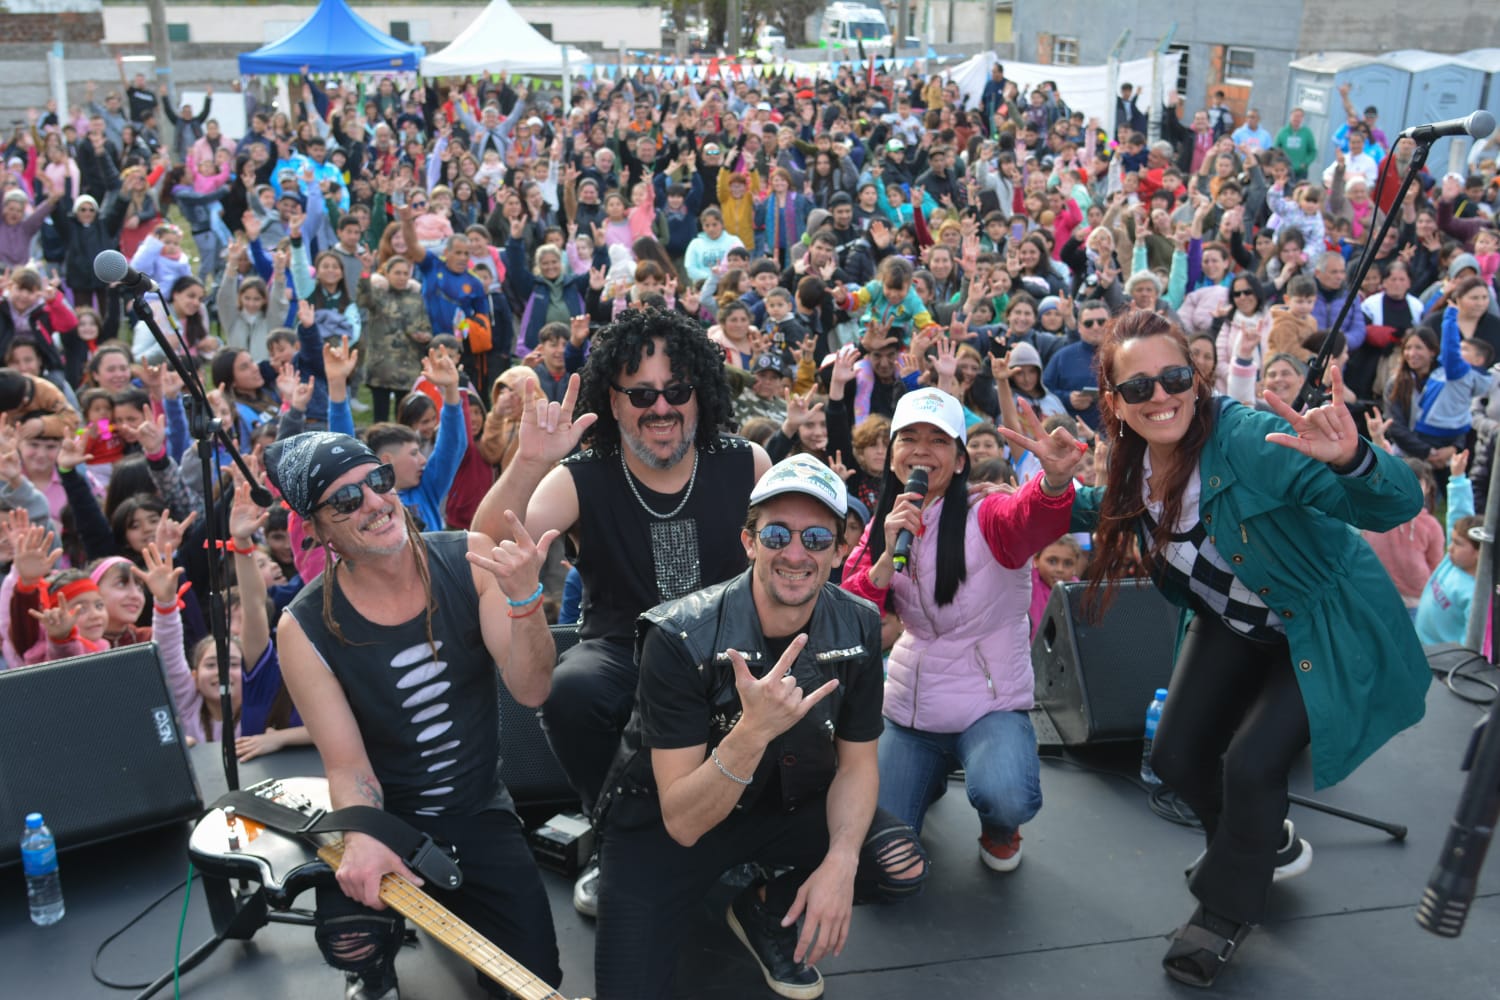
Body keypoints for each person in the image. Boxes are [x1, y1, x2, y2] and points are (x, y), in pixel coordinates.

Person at [1071, 309, 1427, 987]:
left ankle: (1223, 914)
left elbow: (1394, 505)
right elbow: (1117, 506)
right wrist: (1048, 494)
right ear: (1114, 403)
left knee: (1253, 765)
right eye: (1138, 388)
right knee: (1173, 757)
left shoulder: (1250, 440)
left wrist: (1354, 460)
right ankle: (1264, 842)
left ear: (1197, 375)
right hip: (1231, 620)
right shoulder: (1136, 459)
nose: (1160, 396)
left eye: (1173, 376)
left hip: (1312, 623)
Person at [472, 306, 772, 917]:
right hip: (621, 650)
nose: (660, 409)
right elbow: (488, 544)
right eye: (640, 395)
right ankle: (614, 834)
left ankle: (743, 842)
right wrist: (529, 463)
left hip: (729, 649)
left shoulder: (746, 463)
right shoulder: (581, 477)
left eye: (677, 391)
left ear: (700, 395)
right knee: (570, 690)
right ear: (613, 402)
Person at [593, 455, 927, 999]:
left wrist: (841, 862)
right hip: (664, 823)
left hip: (780, 802)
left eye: (817, 538)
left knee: (898, 862)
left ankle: (765, 906)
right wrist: (752, 732)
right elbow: (682, 821)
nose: (796, 554)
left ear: (841, 551)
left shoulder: (860, 625)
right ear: (749, 542)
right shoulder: (679, 637)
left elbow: (859, 763)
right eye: (777, 534)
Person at [270, 431, 564, 1000]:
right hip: (393, 814)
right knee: (348, 936)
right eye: (345, 501)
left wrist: (527, 603)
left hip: (479, 809)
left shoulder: (468, 559)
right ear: (317, 530)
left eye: (376, 481)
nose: (374, 503)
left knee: (535, 981)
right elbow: (348, 767)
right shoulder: (303, 627)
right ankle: (375, 968)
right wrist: (364, 836)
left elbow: (531, 689)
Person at [841, 386, 1082, 872]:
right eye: (909, 438)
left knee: (1006, 794)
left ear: (959, 459)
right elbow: (850, 615)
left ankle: (1000, 827)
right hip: (913, 710)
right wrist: (885, 559)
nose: (922, 450)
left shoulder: (986, 513)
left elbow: (1027, 518)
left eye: (939, 439)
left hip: (989, 704)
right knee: (881, 852)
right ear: (892, 457)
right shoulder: (886, 526)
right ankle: (924, 779)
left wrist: (1053, 485)